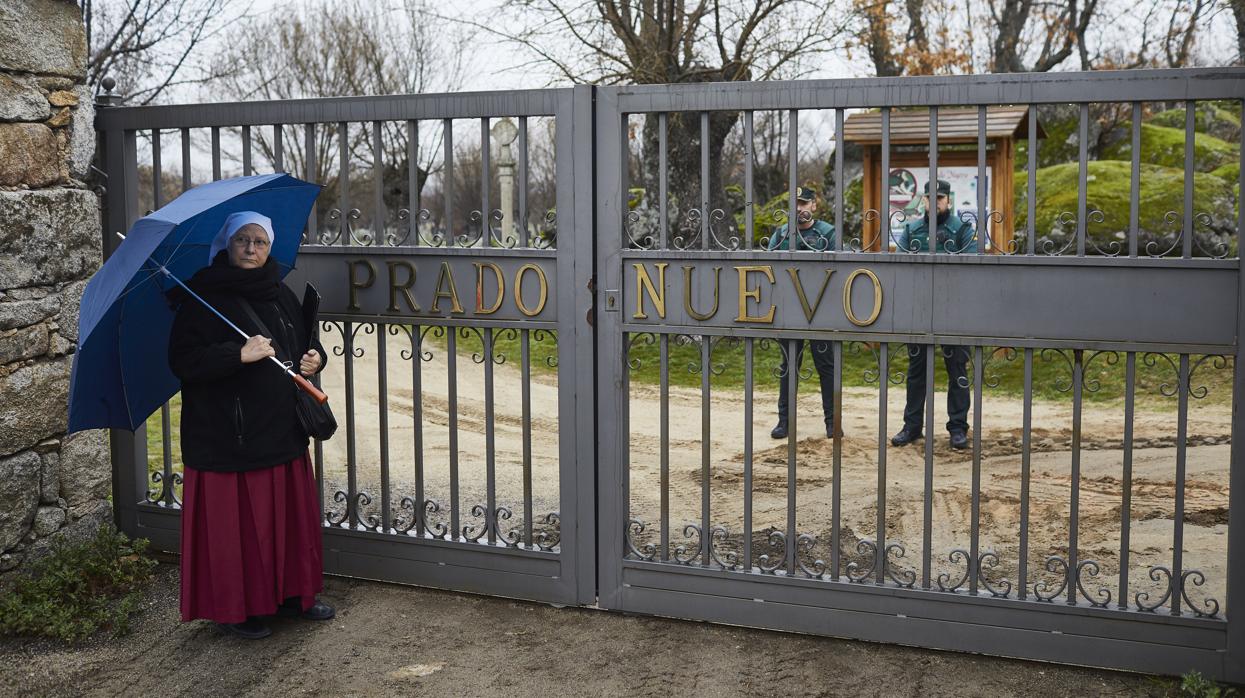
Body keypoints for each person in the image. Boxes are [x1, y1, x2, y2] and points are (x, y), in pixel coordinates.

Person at [168, 211, 333, 639]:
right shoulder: (201, 296)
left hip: (281, 429)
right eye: (242, 240)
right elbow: (182, 361)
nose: (251, 249)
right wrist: (236, 355)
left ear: (269, 246)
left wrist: (315, 356)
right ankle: (237, 610)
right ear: (227, 244)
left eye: (260, 241)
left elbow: (301, 340)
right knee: (238, 534)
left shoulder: (280, 291)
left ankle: (295, 595)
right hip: (229, 436)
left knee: (285, 526)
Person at [891, 180, 975, 450]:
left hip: (955, 311)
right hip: (921, 310)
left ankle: (958, 428)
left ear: (948, 201)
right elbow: (901, 268)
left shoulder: (962, 229)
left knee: (957, 370)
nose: (935, 202)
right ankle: (912, 426)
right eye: (930, 197)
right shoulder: (912, 229)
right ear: (923, 201)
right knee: (917, 371)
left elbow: (972, 267)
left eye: (940, 197)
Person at [766, 187, 838, 439]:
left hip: (820, 311)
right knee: (789, 366)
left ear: (814, 206)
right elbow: (768, 268)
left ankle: (832, 422)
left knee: (826, 366)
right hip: (789, 311)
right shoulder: (782, 233)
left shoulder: (828, 232)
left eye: (804, 203)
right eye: (795, 204)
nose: (799, 208)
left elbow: (839, 269)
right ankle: (784, 421)